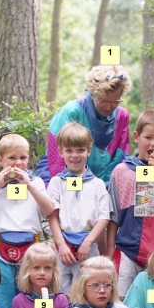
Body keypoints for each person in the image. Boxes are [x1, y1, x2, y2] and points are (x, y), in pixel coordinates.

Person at [0, 133, 54, 308]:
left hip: (32, 250)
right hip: (2, 251)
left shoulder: (36, 183)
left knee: (32, 294)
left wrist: (29, 186)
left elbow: (49, 209)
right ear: (1, 160)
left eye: (23, 158)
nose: (18, 163)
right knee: (3, 296)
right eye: (12, 158)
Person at [107, 109, 154, 298]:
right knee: (123, 300)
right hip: (127, 251)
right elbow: (113, 216)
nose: (153, 143)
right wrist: (109, 252)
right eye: (148, 137)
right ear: (136, 137)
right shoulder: (121, 171)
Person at [35, 65, 133, 186]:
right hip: (59, 180)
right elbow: (56, 158)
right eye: (103, 100)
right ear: (92, 92)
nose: (108, 107)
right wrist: (74, 191)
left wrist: (105, 188)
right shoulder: (71, 111)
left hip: (102, 185)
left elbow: (120, 156)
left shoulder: (122, 116)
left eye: (115, 102)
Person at [47, 122, 110, 293]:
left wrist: (88, 242)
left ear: (89, 150)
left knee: (86, 291)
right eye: (69, 150)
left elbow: (104, 217)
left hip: (88, 247)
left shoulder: (97, 184)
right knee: (60, 292)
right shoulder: (56, 182)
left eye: (80, 150)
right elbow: (52, 215)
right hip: (63, 246)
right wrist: (61, 244)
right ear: (60, 152)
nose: (75, 155)